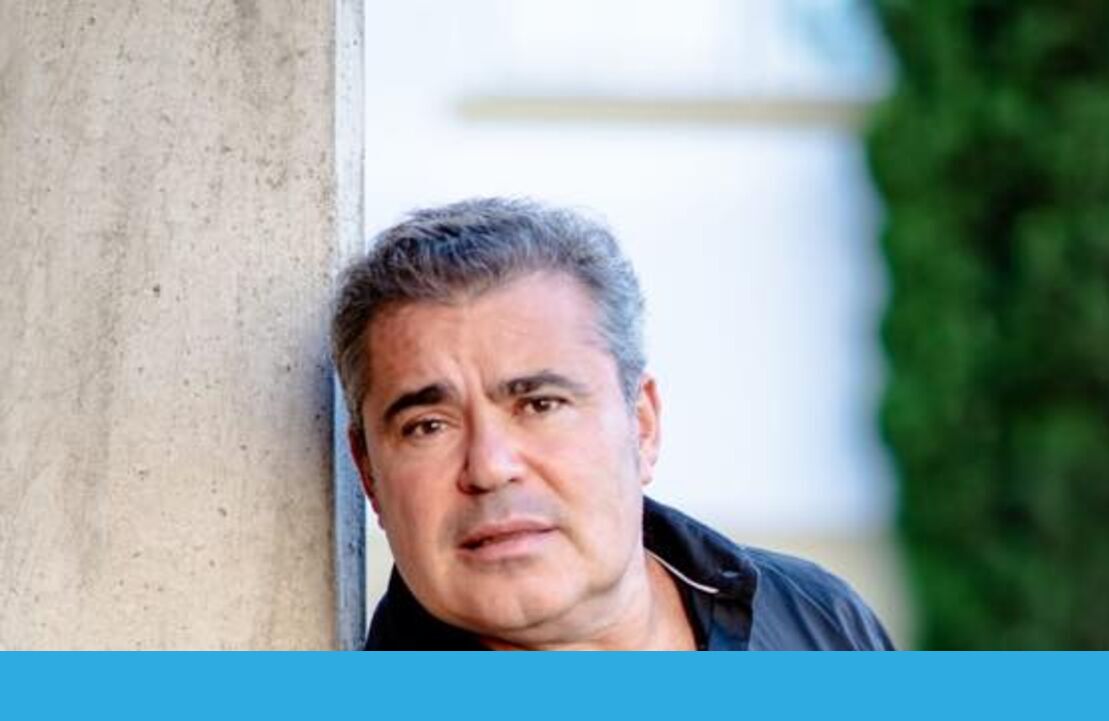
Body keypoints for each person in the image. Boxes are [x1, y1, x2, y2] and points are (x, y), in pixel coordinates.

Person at [331, 198, 895, 651]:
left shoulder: (817, 619)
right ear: (369, 474)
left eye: (540, 405)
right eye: (428, 426)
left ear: (641, 425)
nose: (489, 466)